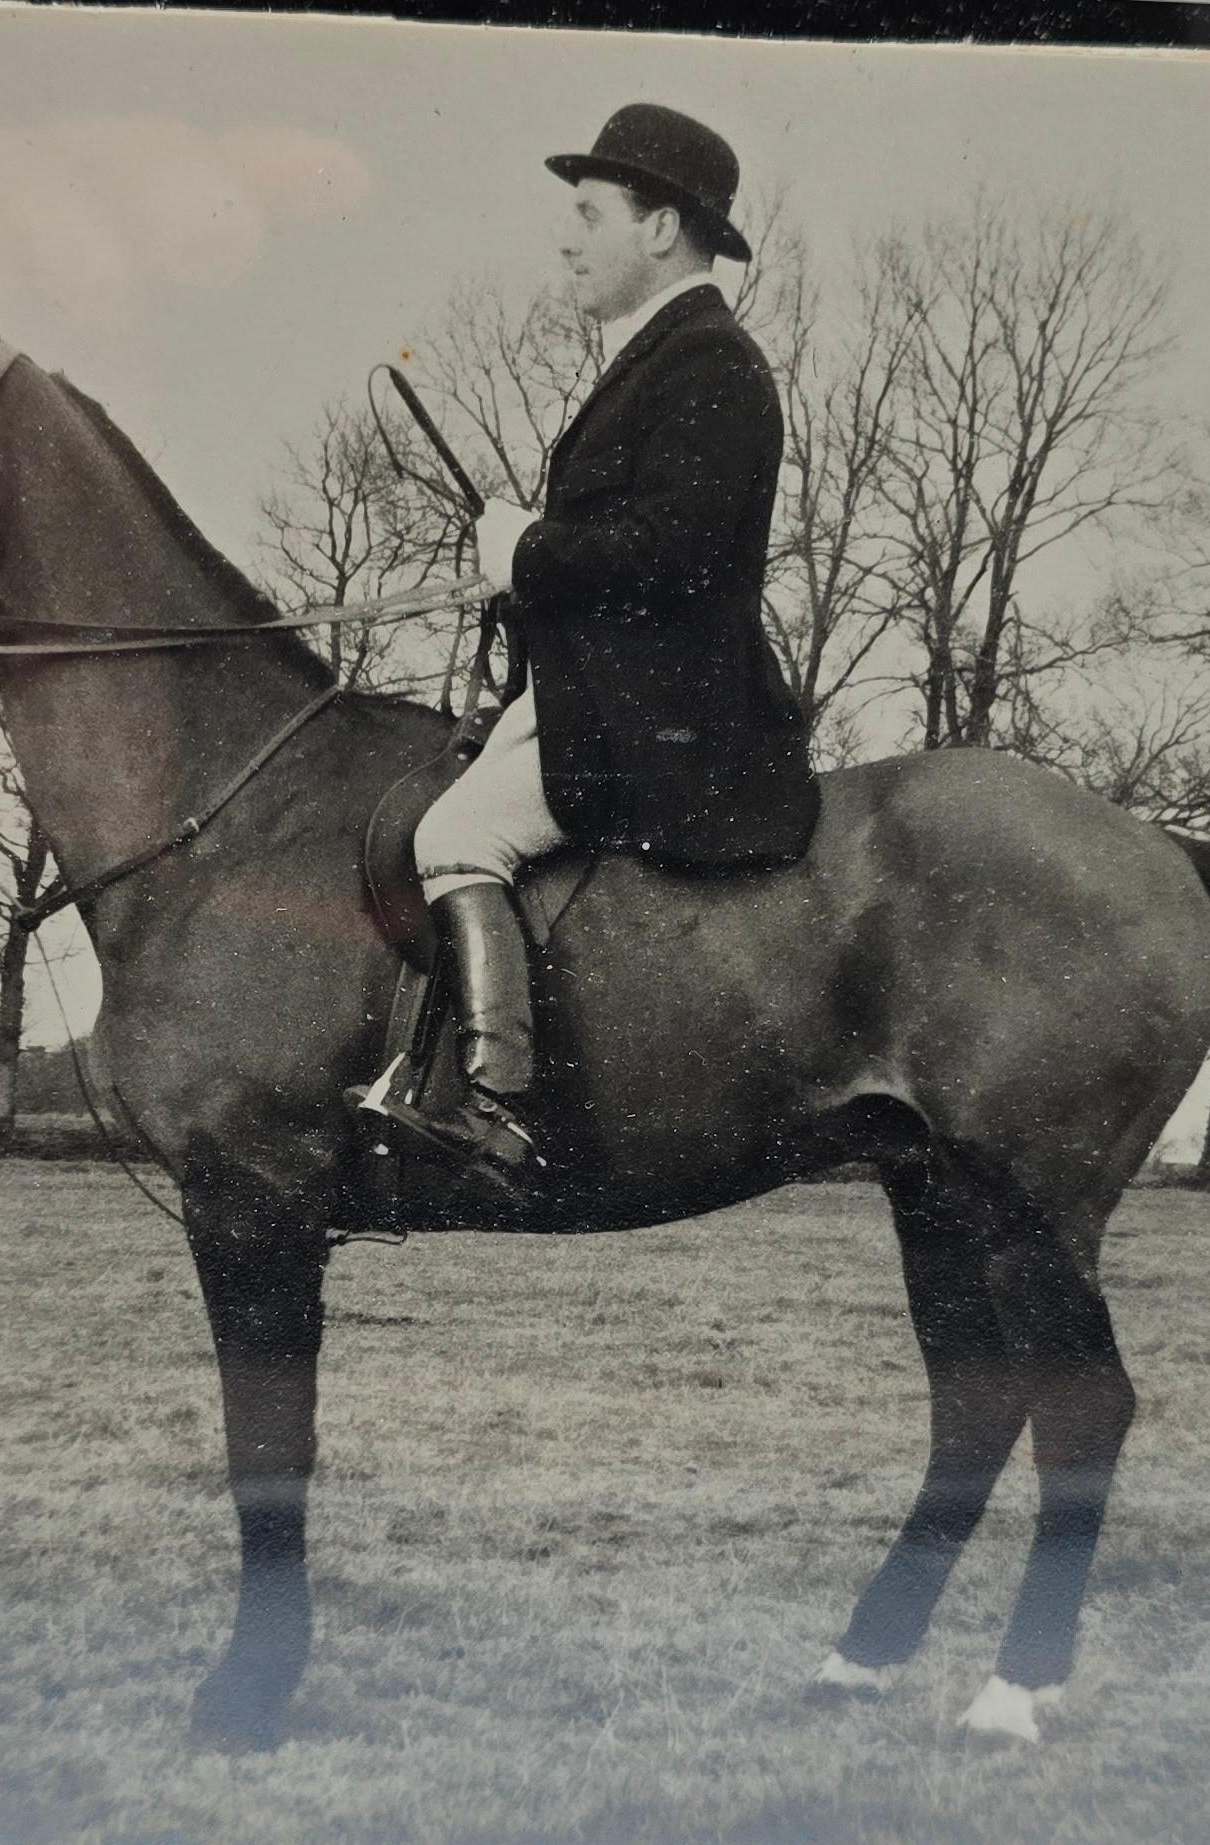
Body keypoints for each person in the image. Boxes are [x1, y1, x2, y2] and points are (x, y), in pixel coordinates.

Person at [361, 103, 820, 1182]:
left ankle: (496, 1099)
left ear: (659, 227)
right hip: (606, 692)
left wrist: (531, 553)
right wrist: (528, 565)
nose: (566, 238)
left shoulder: (707, 362)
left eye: (586, 212)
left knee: (453, 835)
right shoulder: (666, 356)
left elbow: (672, 553)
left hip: (658, 718)